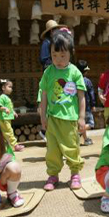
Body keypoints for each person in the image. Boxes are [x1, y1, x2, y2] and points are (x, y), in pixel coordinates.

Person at [39, 29, 86, 191]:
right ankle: (53, 175)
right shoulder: (48, 72)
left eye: (63, 56)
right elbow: (44, 95)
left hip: (69, 119)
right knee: (52, 149)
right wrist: (43, 116)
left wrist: (81, 117)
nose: (58, 60)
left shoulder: (75, 73)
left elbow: (81, 97)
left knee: (72, 147)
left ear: (71, 54)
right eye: (54, 55)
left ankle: (75, 174)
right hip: (52, 118)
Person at [0, 79, 24, 152]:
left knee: (5, 132)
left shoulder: (6, 97)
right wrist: (5, 108)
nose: (11, 89)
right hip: (3, 118)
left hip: (6, 118)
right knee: (9, 131)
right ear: (3, 88)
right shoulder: (2, 97)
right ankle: (15, 145)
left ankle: (5, 147)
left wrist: (13, 112)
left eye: (11, 87)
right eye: (9, 87)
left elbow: (10, 108)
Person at [76, 60, 96, 146]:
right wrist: (93, 104)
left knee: (82, 122)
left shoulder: (75, 80)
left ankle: (86, 139)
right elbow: (91, 94)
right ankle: (77, 132)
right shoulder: (87, 81)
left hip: (77, 107)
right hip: (86, 107)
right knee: (91, 124)